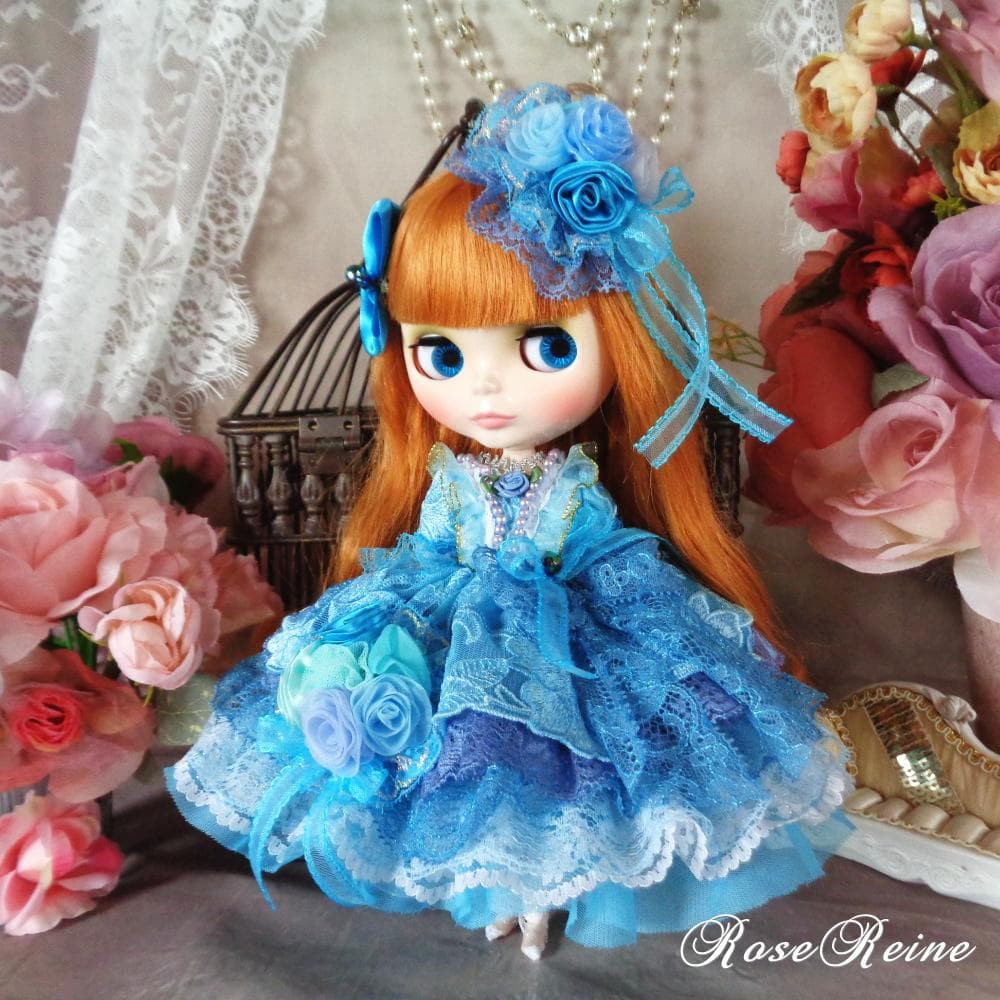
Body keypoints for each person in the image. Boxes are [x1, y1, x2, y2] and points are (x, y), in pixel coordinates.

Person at [168, 83, 853, 959]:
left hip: (569, 629)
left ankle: (550, 886)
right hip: (451, 616)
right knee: (470, 764)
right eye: (441, 353)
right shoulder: (446, 478)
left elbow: (603, 554)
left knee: (568, 760)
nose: (486, 387)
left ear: (618, 337)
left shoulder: (578, 483)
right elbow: (428, 547)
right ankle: (494, 883)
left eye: (547, 346)